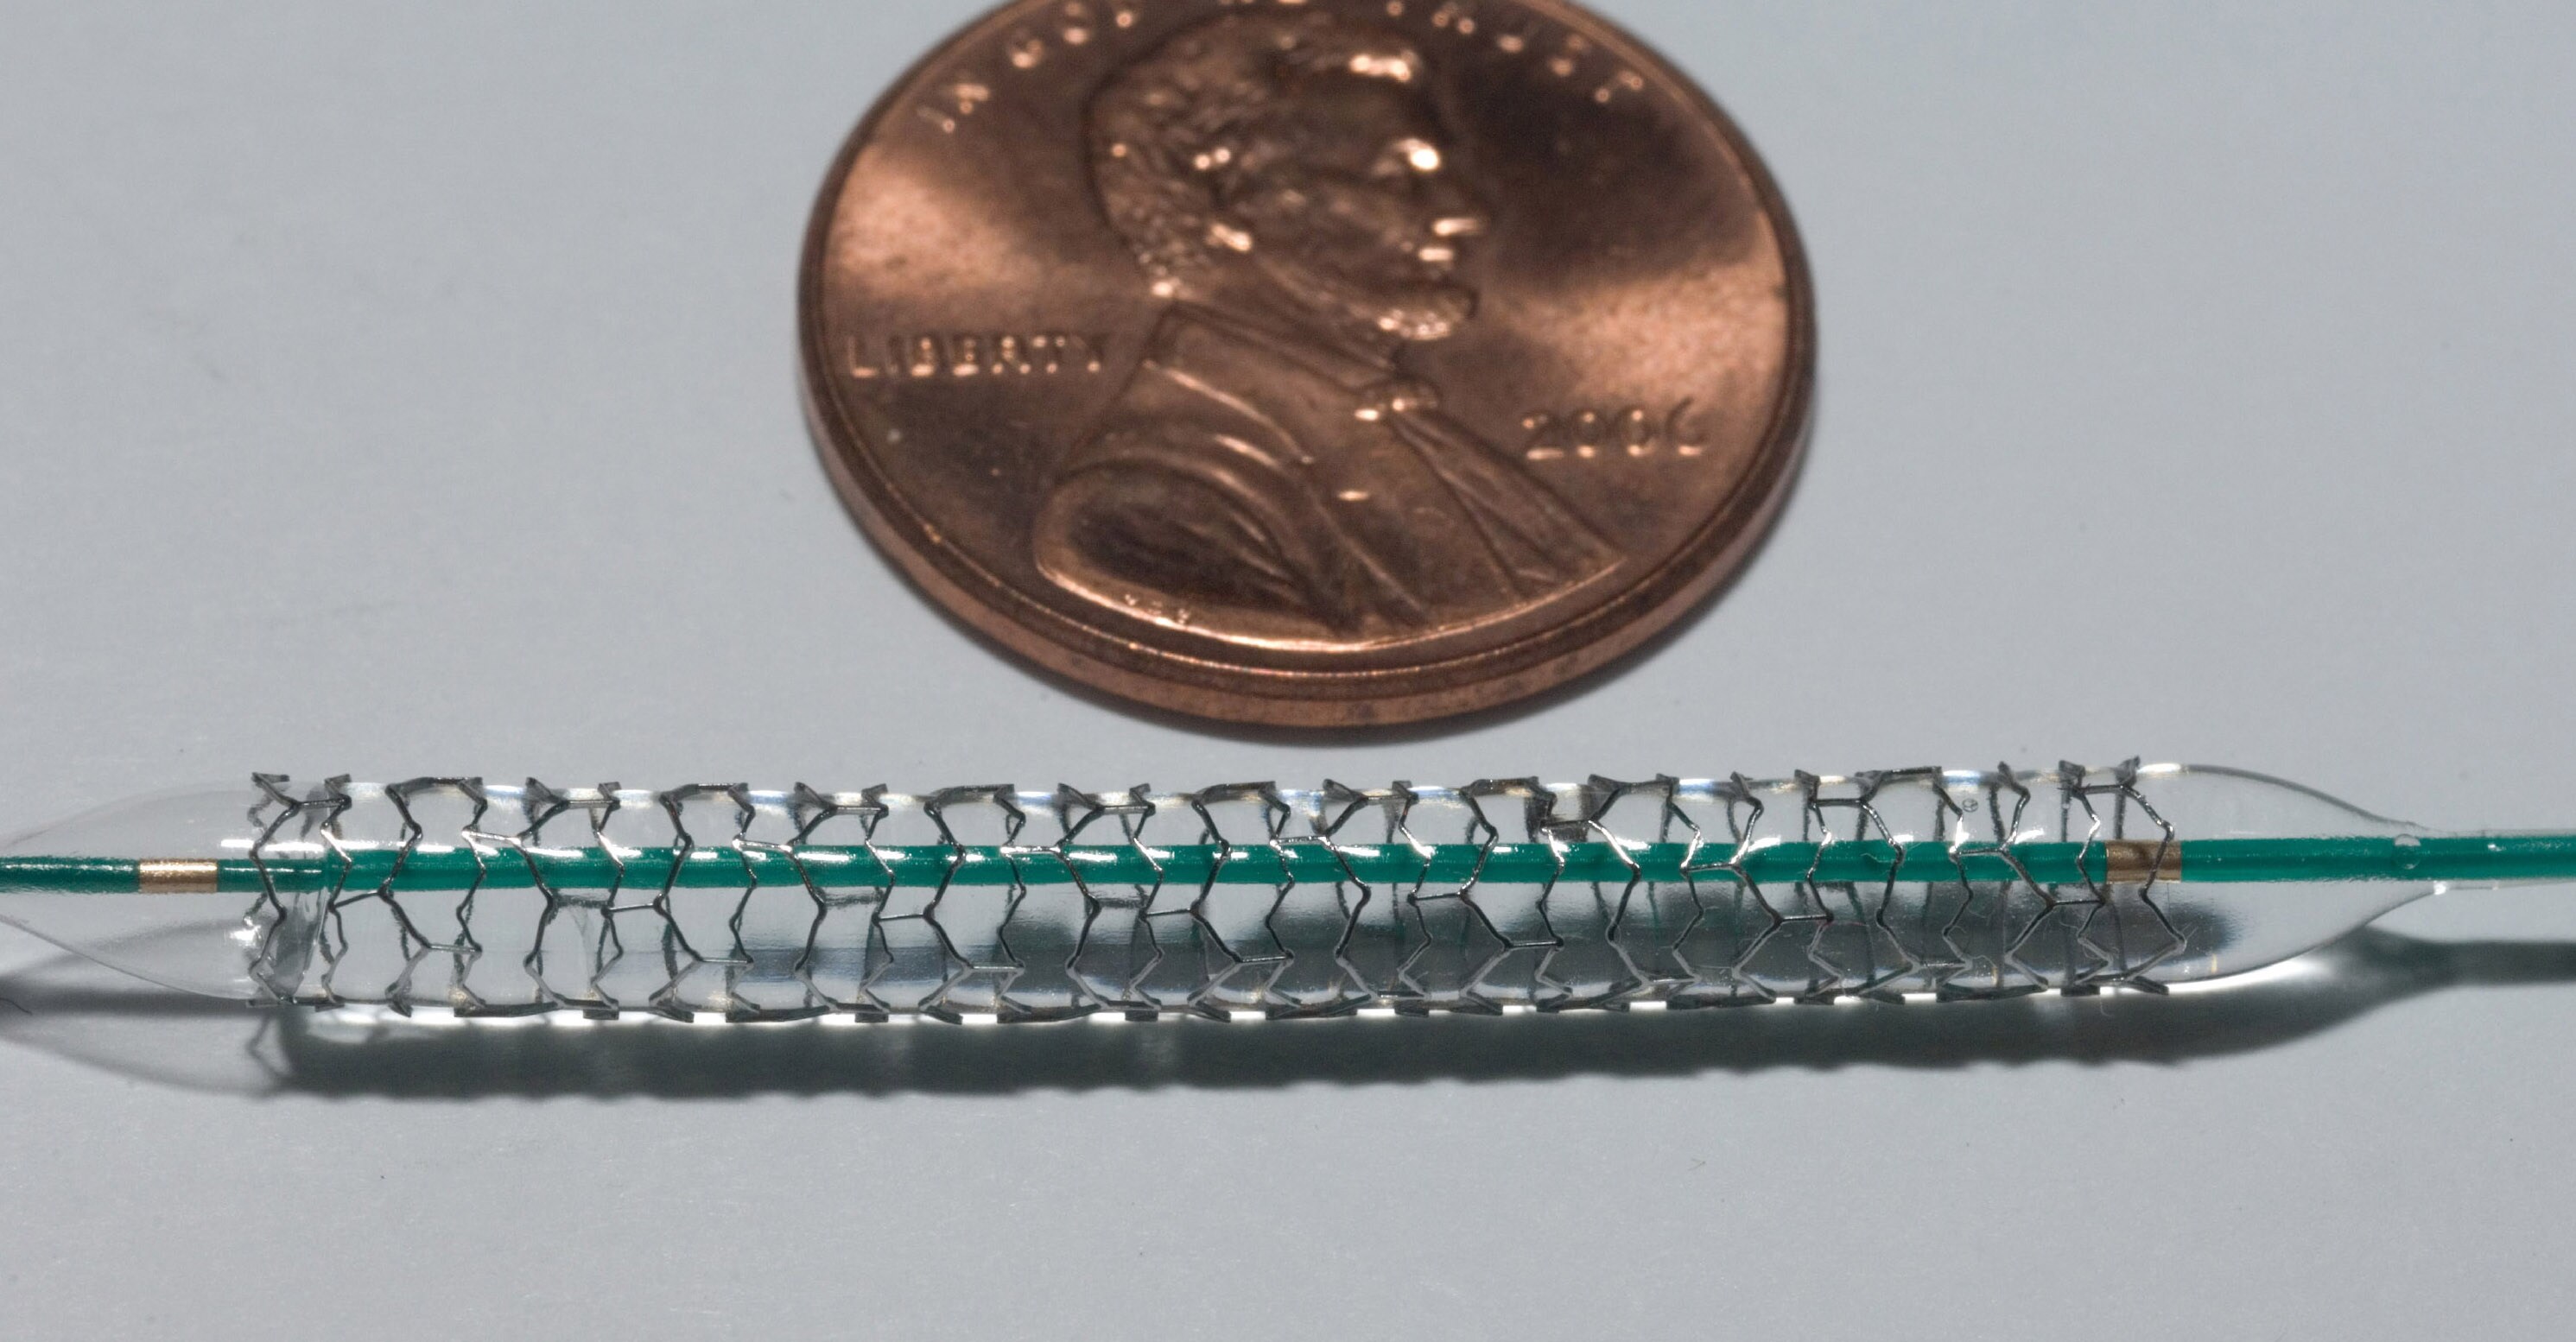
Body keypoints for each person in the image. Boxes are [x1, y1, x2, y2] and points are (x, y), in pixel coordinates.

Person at [1031, 11, 1620, 643]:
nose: (1464, 214)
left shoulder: (1413, 424)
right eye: (1395, 177)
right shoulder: (1141, 512)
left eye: (1438, 174)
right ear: (1228, 203)